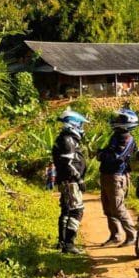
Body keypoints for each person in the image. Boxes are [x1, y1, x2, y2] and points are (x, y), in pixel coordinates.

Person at [97, 108, 139, 247]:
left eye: (120, 119)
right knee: (108, 208)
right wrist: (102, 153)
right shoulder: (116, 135)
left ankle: (132, 235)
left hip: (116, 176)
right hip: (108, 175)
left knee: (118, 208)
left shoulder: (125, 138)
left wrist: (101, 155)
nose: (116, 121)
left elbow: (114, 156)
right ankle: (115, 235)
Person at [52, 109, 89, 254]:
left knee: (67, 210)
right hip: (70, 181)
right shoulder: (68, 140)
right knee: (76, 210)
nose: (82, 127)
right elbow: (68, 163)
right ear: (73, 124)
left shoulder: (66, 139)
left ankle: (63, 241)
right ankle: (69, 243)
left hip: (67, 180)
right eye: (80, 124)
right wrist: (78, 179)